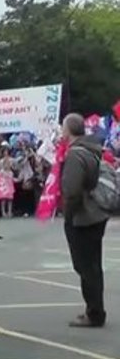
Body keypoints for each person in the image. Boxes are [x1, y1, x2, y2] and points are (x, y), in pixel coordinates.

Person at [60, 113, 108, 329]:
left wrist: (68, 215)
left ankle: (94, 313)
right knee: (93, 266)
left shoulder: (75, 155)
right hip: (97, 212)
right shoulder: (92, 150)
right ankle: (96, 309)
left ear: (68, 131)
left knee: (85, 267)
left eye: (63, 128)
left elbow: (72, 190)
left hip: (83, 217)